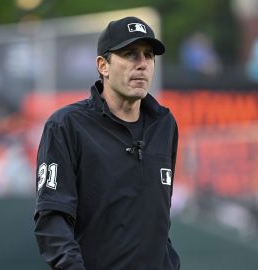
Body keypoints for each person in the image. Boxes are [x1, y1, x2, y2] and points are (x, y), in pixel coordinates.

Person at [33, 16, 181, 270]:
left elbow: (158, 221)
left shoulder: (165, 125)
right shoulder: (66, 125)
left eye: (148, 55)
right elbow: (52, 221)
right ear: (103, 65)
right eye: (130, 54)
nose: (142, 64)